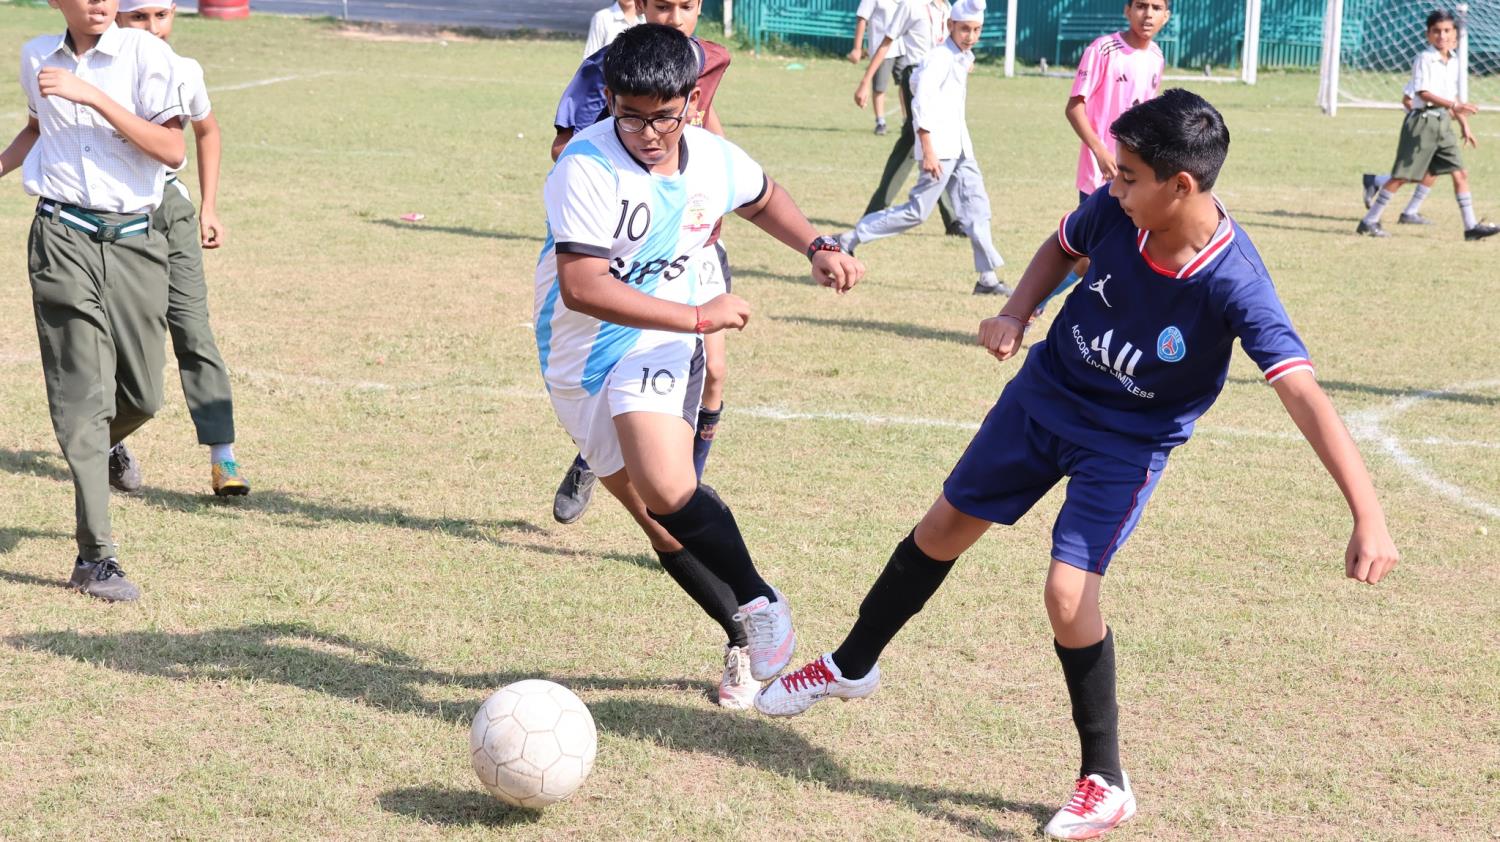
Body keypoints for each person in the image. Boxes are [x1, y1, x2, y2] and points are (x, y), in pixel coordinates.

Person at [754, 90, 1399, 841]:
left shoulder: (1234, 282)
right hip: (1044, 397)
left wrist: (1369, 513)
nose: (1111, 185)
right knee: (940, 530)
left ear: (1180, 184)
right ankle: (851, 663)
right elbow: (1063, 246)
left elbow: (1302, 394)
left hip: (1124, 443)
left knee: (1068, 595)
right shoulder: (1119, 213)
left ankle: (1105, 780)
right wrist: (1016, 313)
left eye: (1126, 175)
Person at [538, 24, 865, 708]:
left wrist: (816, 245)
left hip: (657, 341)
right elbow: (583, 287)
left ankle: (758, 605)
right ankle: (746, 629)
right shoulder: (587, 168)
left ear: (690, 100)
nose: (648, 132)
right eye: (631, 116)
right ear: (609, 99)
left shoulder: (713, 158)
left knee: (666, 484)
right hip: (578, 355)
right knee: (659, 521)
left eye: (663, 116)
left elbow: (762, 195)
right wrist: (699, 315)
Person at [0, 0, 187, 601]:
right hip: (60, 237)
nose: (100, 3)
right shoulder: (35, 56)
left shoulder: (147, 54)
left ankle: (103, 441)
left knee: (144, 394)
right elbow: (37, 130)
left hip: (135, 240)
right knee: (83, 394)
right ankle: (94, 558)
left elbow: (171, 149)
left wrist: (93, 96)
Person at [551, 0, 733, 527]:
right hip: (632, 247)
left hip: (695, 240)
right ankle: (594, 456)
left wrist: (718, 174)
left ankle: (681, 503)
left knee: (716, 373)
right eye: (661, 5)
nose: (674, 16)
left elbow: (708, 125)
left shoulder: (709, 59)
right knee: (619, 370)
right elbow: (565, 145)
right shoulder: (607, 65)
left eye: (686, 6)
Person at [116, 0, 249, 497]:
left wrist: (209, 208)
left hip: (169, 208)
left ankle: (224, 457)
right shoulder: (98, 71)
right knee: (126, 343)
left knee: (193, 328)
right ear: (114, 16)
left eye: (162, 15)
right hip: (117, 213)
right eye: (138, 17)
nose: (153, 28)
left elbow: (207, 131)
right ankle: (110, 441)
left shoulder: (183, 69)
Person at [836, 0, 1007, 295]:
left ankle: (987, 279)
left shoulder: (962, 56)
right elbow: (920, 102)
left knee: (977, 208)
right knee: (917, 212)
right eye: (965, 29)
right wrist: (927, 148)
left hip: (961, 146)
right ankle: (848, 239)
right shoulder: (938, 58)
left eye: (976, 30)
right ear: (950, 26)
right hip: (939, 148)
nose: (971, 36)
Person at [1040, 0, 1168, 316]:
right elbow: (1074, 107)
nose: (1147, 14)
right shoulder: (1103, 50)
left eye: (1155, 7)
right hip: (1100, 175)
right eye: (1140, 5)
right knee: (1085, 255)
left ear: (1166, 15)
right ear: (1127, 10)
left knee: (1123, 253)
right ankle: (1032, 304)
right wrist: (1099, 150)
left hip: (1135, 176)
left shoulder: (1156, 57)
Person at [1358, 9, 1500, 240]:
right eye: (1436, 31)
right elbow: (1423, 93)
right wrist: (1454, 107)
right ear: (1428, 35)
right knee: (1405, 176)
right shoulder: (1424, 58)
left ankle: (1471, 227)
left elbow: (1451, 96)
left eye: (1447, 31)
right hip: (1422, 122)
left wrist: (1464, 124)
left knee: (1460, 173)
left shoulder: (1453, 61)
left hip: (1443, 123)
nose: (1442, 36)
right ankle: (1369, 220)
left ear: (1455, 34)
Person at [856, 0, 961, 233]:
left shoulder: (944, 8)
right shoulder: (911, 5)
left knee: (923, 145)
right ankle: (952, 218)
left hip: (942, 78)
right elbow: (886, 43)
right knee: (922, 143)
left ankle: (951, 218)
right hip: (917, 77)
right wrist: (866, 81)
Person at [850, 0, 902, 136]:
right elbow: (862, 18)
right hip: (882, 48)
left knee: (906, 84)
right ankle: (880, 121)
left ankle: (907, 120)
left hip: (903, 47)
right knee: (879, 87)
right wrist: (857, 48)